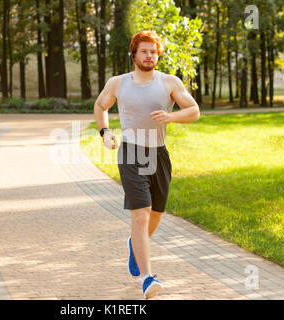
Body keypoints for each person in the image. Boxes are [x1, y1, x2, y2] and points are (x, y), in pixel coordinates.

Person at [93, 30, 200, 299]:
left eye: (153, 51)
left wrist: (170, 117)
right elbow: (100, 105)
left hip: (158, 154)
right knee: (140, 214)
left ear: (158, 54)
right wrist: (105, 133)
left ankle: (134, 244)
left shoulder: (169, 82)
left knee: (156, 215)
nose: (149, 55)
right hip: (131, 152)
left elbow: (194, 111)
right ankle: (147, 277)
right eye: (144, 51)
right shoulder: (119, 83)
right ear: (134, 53)